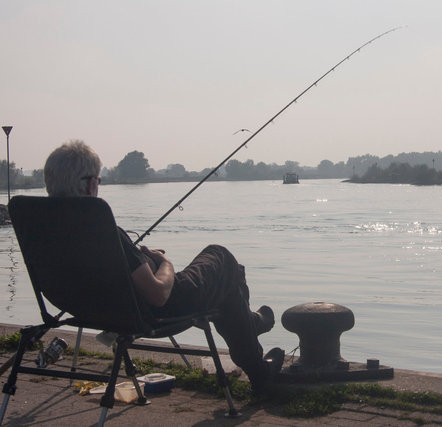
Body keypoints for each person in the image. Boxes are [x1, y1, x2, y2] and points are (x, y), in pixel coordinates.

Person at [43, 140, 284, 394]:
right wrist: (164, 262)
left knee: (227, 285)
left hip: (90, 309)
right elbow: (158, 295)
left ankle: (255, 351)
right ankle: (252, 333)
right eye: (100, 182)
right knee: (220, 257)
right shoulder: (104, 233)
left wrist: (143, 260)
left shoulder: (44, 231)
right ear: (91, 184)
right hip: (160, 308)